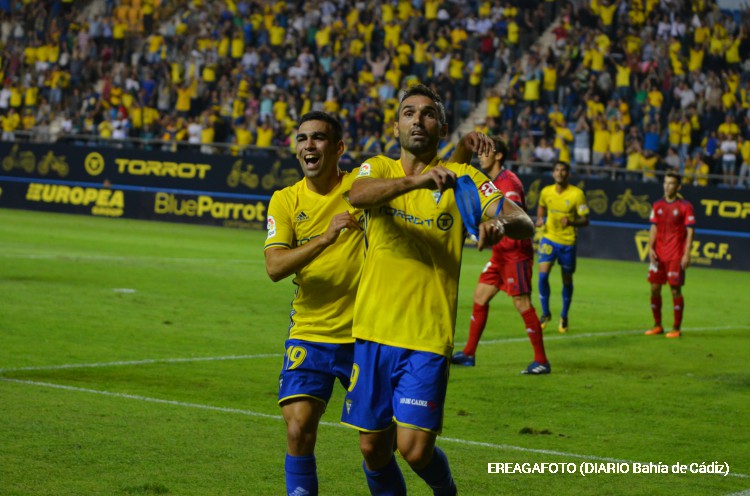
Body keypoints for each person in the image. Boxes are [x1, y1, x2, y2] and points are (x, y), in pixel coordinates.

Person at [341, 85, 534, 495]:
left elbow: (523, 220)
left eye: (428, 114)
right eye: (408, 112)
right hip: (372, 330)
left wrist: (499, 224)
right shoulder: (377, 167)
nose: (417, 119)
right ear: (396, 126)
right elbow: (358, 196)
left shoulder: (464, 179)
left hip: (427, 336)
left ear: (442, 129)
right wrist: (418, 182)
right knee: (373, 448)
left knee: (414, 450)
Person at [264, 111, 364, 496]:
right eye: (302, 138)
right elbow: (275, 267)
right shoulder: (285, 200)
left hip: (366, 333)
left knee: (381, 445)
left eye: (318, 138)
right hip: (311, 331)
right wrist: (325, 238)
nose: (309, 145)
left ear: (338, 148)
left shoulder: (361, 187)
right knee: (298, 428)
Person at [450, 135, 550, 375]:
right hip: (500, 254)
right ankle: (469, 353)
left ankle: (541, 361)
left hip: (515, 252)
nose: (480, 156)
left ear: (499, 156)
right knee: (480, 296)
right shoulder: (492, 182)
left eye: (486, 151)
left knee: (521, 302)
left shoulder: (509, 183)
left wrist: (495, 225)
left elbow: (515, 216)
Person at [536, 161, 590, 333]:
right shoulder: (546, 191)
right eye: (557, 170)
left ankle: (564, 315)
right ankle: (545, 313)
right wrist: (540, 218)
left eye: (563, 170)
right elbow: (541, 206)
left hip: (568, 242)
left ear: (568, 174)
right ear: (553, 173)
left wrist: (572, 222)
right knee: (542, 276)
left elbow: (585, 220)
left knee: (567, 280)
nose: (560, 173)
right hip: (549, 238)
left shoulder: (577, 194)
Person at [644, 171, 695, 338]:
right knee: (654, 288)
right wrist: (650, 248)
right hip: (658, 254)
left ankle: (676, 328)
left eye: (671, 183)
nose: (667, 186)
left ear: (678, 187)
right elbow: (653, 227)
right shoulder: (657, 205)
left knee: (675, 290)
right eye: (665, 182)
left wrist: (687, 254)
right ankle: (657, 325)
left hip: (675, 255)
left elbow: (690, 231)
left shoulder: (685, 206)